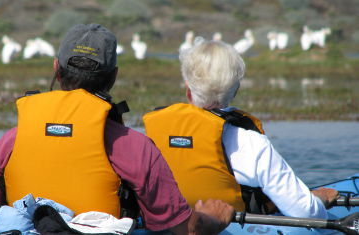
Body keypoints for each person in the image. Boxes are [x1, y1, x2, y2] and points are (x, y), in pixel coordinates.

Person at [0, 24, 235, 235]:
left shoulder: (10, 141)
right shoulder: (135, 147)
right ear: (113, 77)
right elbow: (181, 231)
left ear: (56, 68)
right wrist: (212, 221)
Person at [142, 40, 339, 219]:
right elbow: (304, 212)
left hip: (170, 227)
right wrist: (319, 200)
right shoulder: (250, 143)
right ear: (235, 89)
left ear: (188, 88)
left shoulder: (150, 137)